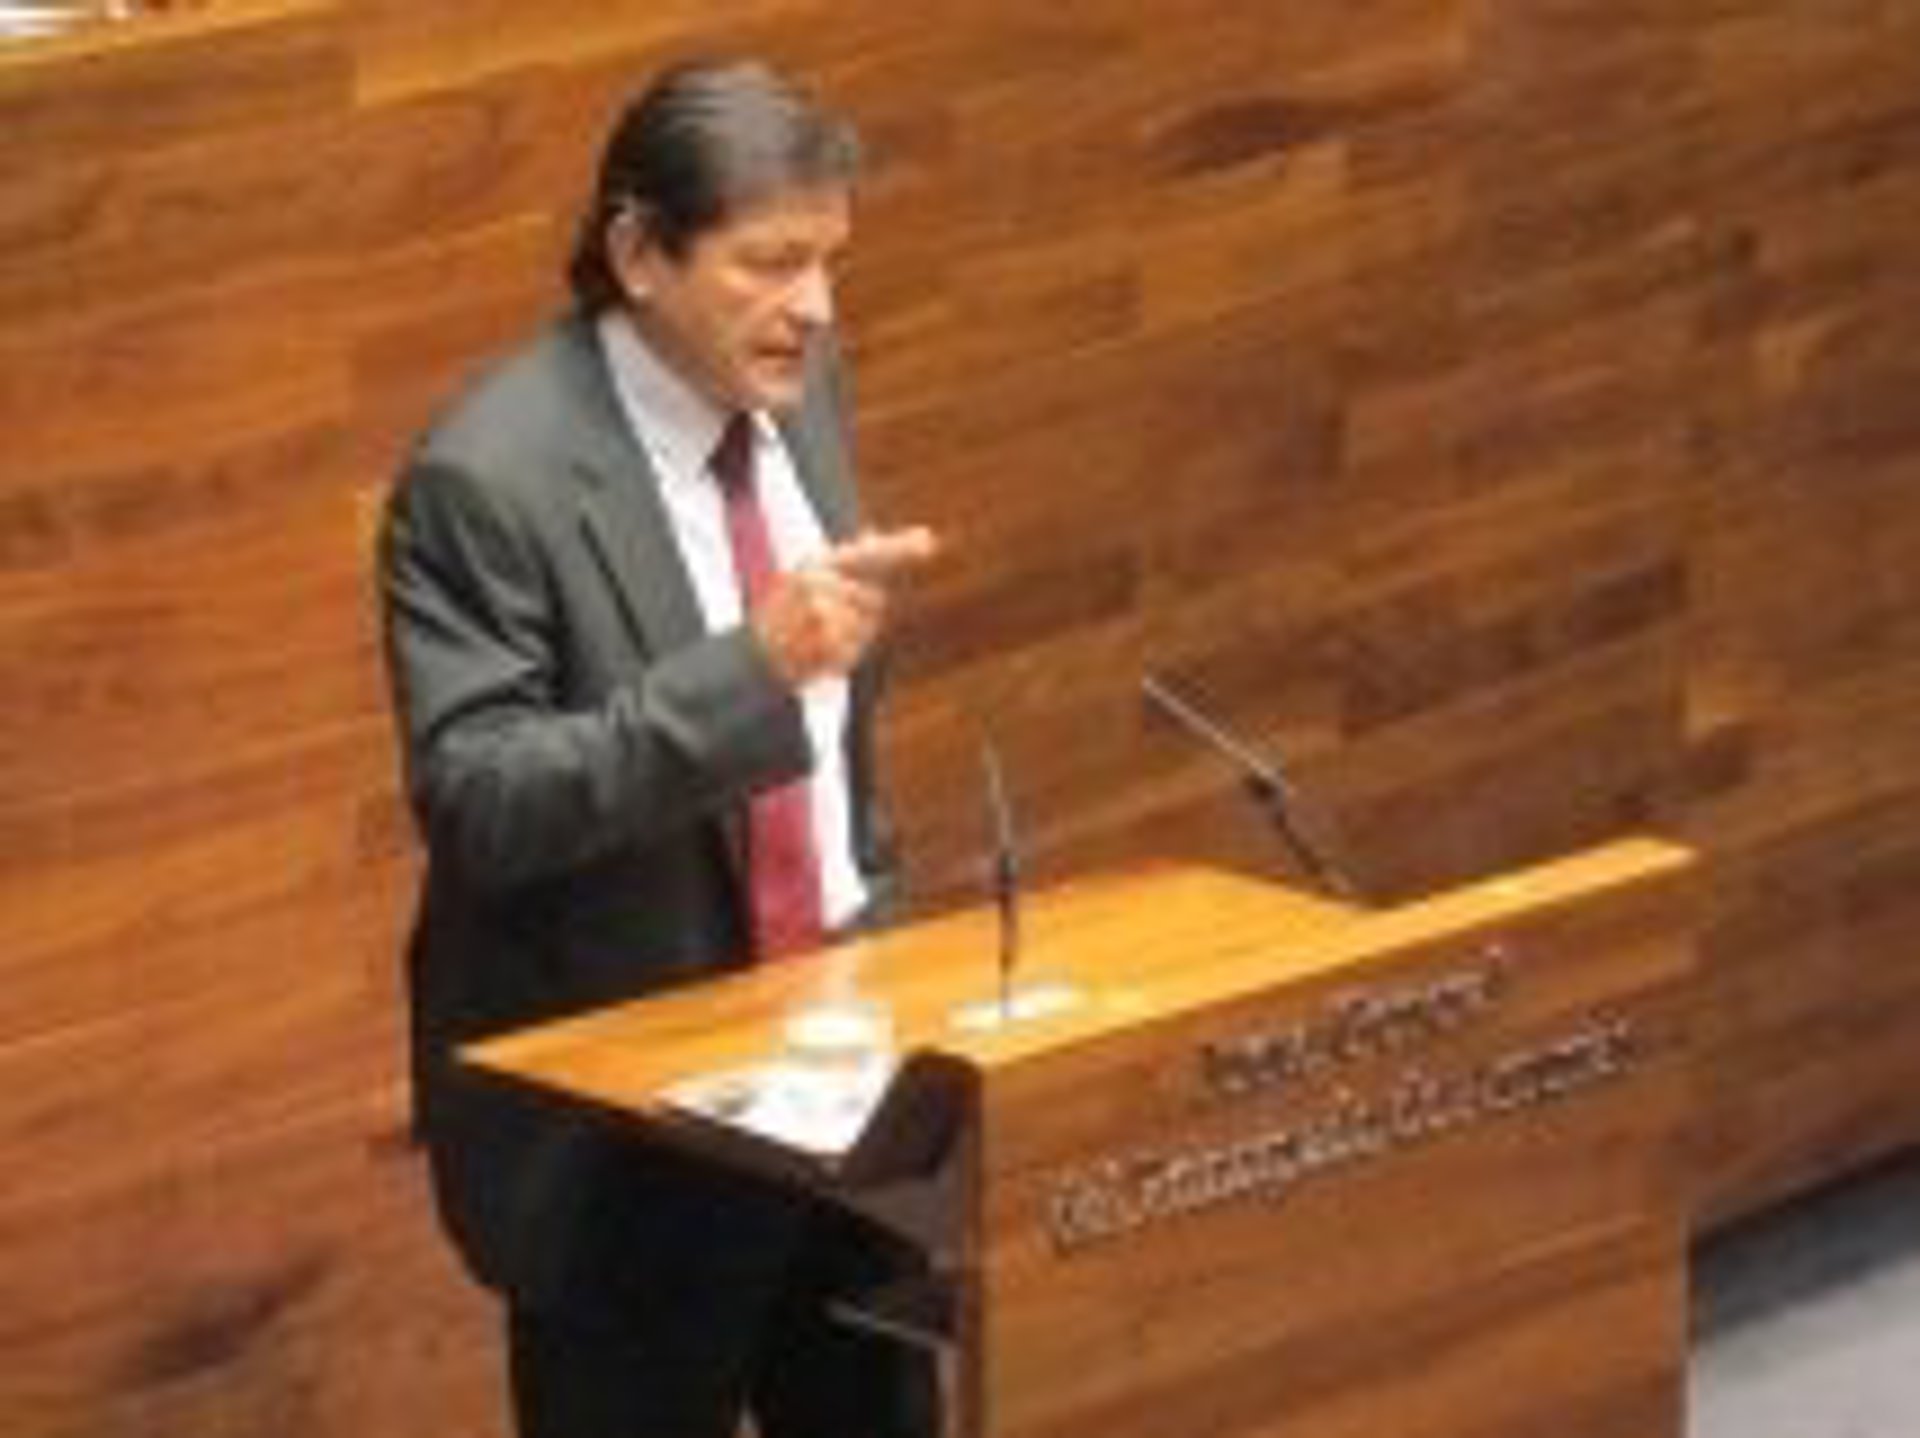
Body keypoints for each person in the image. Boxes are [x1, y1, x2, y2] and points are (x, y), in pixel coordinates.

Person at [378, 57, 939, 1438]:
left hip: (842, 1077)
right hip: (630, 1138)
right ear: (639, 253)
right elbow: (484, 800)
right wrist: (751, 670)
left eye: (829, 260)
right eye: (773, 263)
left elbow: (836, 738)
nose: (818, 306)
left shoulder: (800, 380)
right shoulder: (485, 481)